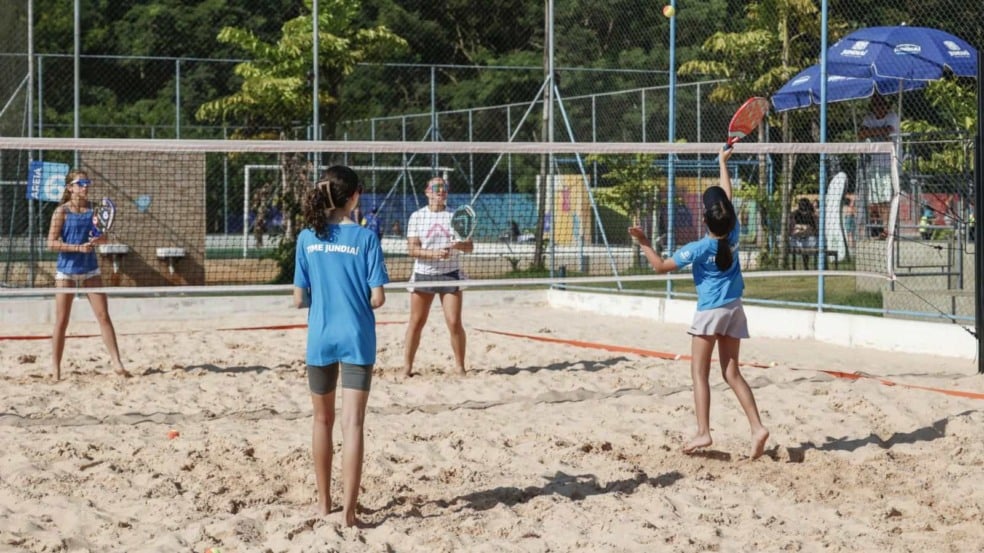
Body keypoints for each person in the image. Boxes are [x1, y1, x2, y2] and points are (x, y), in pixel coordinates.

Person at [627, 147, 769, 459]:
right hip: (735, 308)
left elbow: (661, 266)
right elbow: (726, 199)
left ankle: (704, 432)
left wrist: (644, 243)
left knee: (699, 374)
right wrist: (721, 163)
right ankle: (757, 427)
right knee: (732, 373)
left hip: (710, 313)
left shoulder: (700, 247)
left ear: (705, 218)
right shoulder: (733, 231)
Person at [293, 165, 389, 526]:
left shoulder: (306, 237)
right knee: (353, 424)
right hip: (357, 336)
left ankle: (323, 505)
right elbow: (377, 299)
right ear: (355, 196)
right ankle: (348, 514)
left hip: (320, 336)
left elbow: (298, 298)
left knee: (321, 421)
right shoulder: (366, 239)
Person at [46, 170, 129, 381]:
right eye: (80, 183)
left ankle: (117, 364)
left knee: (103, 317)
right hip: (66, 271)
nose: (85, 186)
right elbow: (51, 243)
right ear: (70, 187)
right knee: (62, 321)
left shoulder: (94, 209)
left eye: (87, 183)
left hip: (90, 269)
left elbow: (104, 238)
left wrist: (97, 241)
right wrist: (76, 248)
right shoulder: (61, 212)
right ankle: (55, 369)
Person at [402, 176, 473, 377]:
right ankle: (407, 368)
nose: (441, 191)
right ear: (427, 192)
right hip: (424, 274)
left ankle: (460, 367)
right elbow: (412, 249)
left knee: (453, 322)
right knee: (416, 322)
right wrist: (433, 254)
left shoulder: (456, 215)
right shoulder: (417, 216)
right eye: (436, 187)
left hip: (450, 274)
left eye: (444, 188)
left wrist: (458, 245)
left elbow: (469, 247)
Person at [858, 93, 900, 238]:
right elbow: (861, 133)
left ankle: (890, 228)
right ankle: (884, 228)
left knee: (888, 197)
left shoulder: (892, 116)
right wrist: (879, 132)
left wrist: (872, 132)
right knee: (877, 199)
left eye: (881, 105)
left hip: (890, 163)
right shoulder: (869, 118)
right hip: (874, 164)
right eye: (875, 105)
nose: (878, 108)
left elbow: (889, 131)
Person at [790, 197, 819, 269]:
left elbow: (814, 231)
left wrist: (805, 230)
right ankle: (799, 266)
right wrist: (801, 229)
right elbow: (792, 230)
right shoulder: (794, 214)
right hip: (797, 239)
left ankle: (806, 266)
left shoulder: (812, 216)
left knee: (810, 239)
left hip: (809, 239)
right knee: (797, 235)